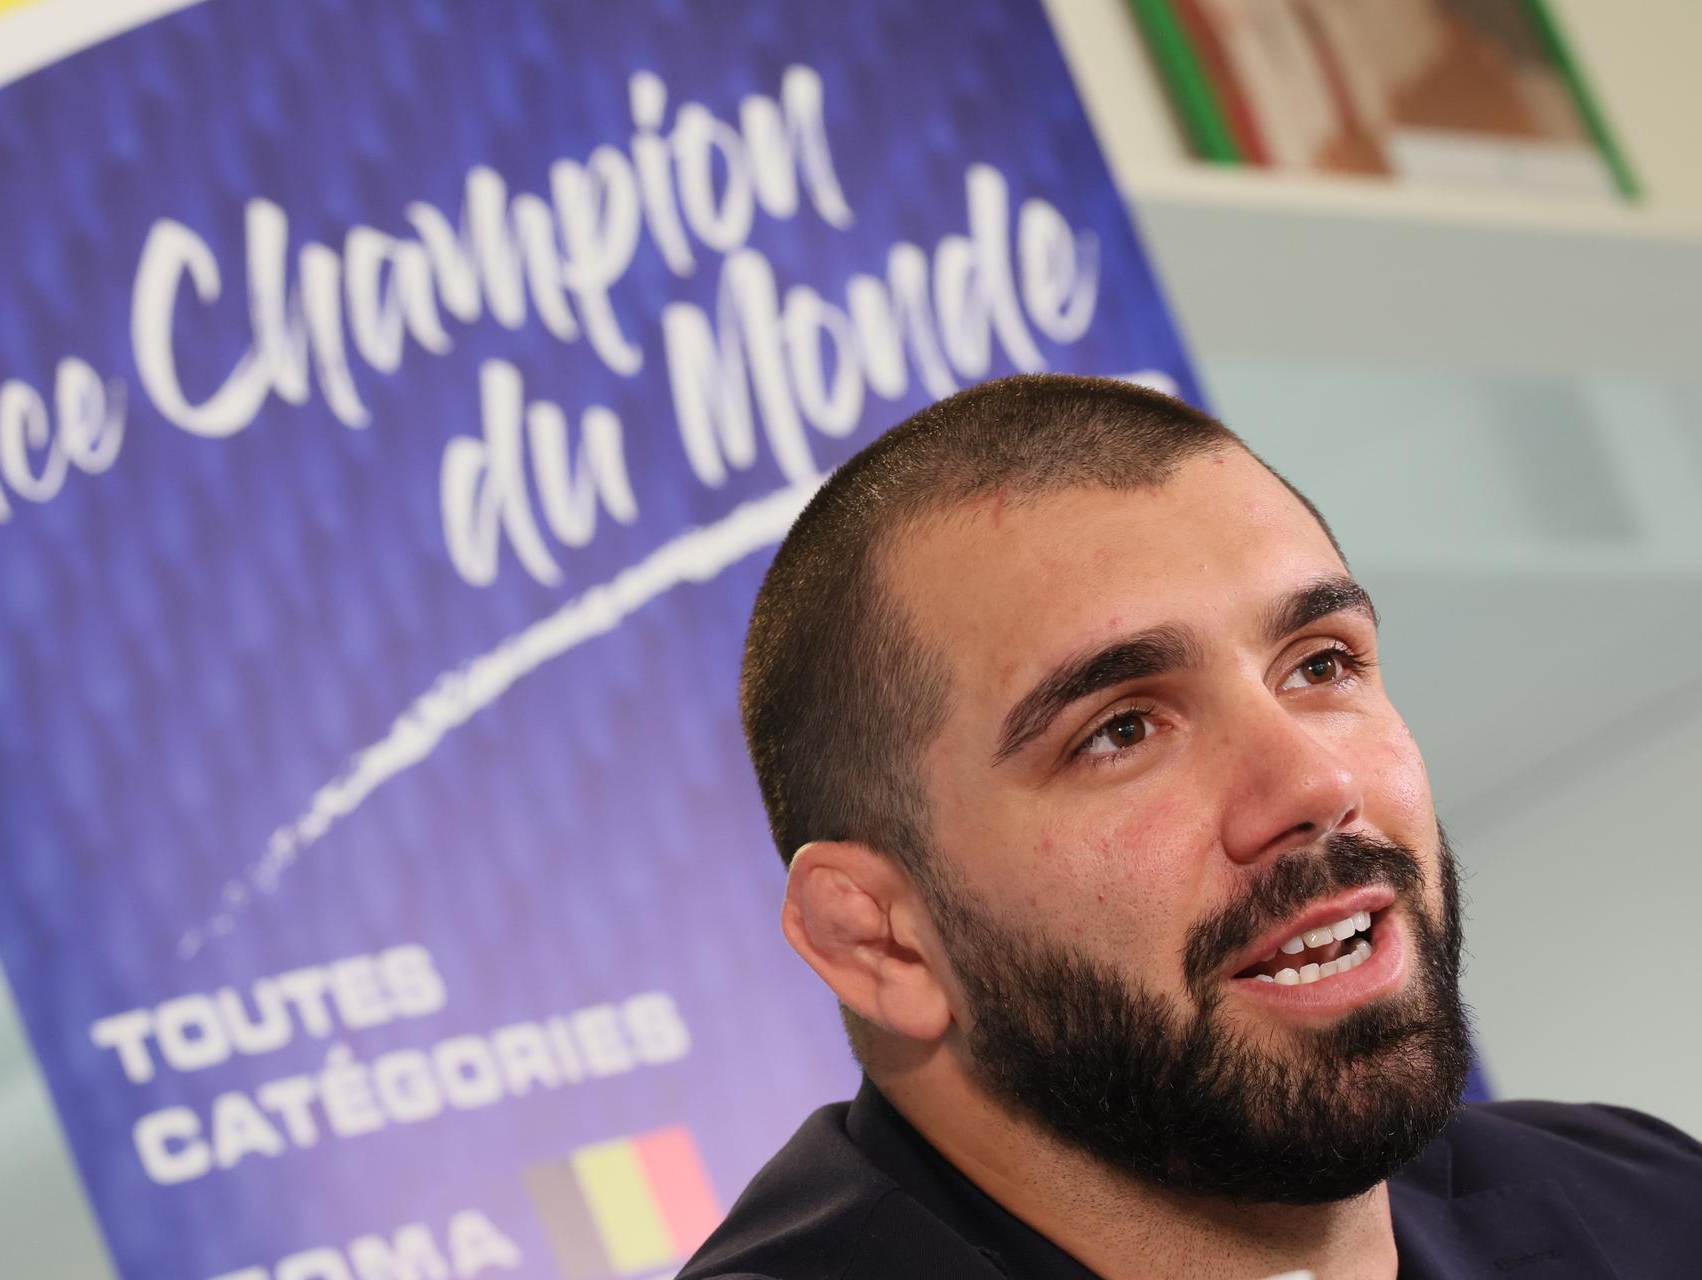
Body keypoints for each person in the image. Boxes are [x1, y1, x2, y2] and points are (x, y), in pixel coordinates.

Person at [680, 376, 1702, 1280]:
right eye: (1121, 729)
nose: (1316, 779)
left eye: (1321, 663)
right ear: (880, 937)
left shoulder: (1649, 1204)